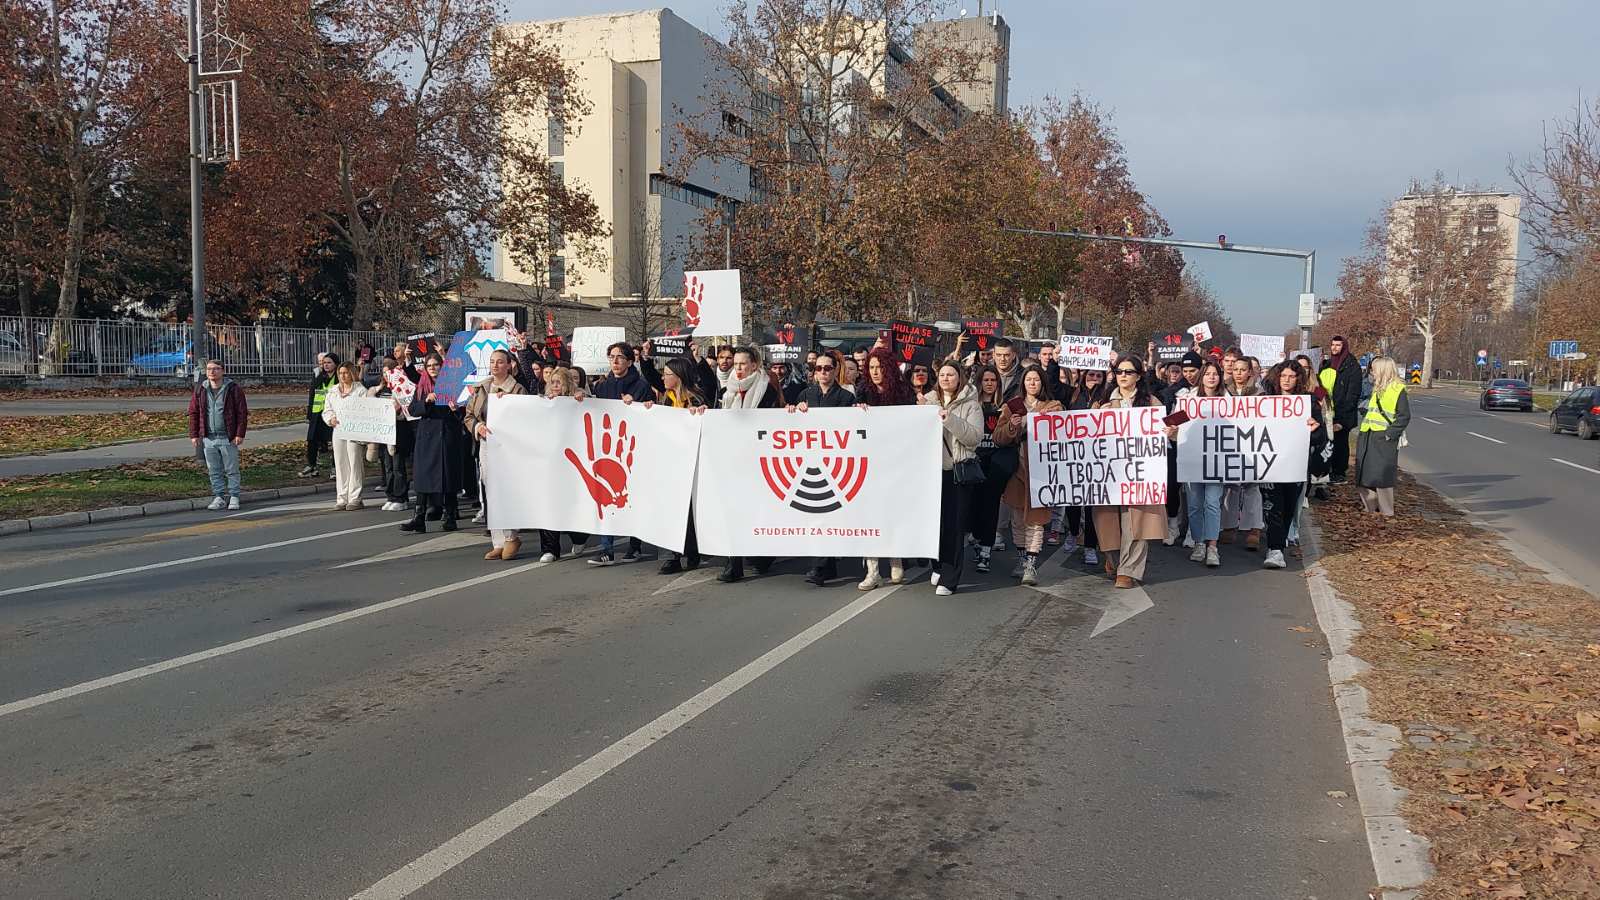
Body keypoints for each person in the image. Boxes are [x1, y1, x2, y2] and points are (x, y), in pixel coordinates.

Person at [1093, 354, 1168, 588]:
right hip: (1109, 471)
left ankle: (1128, 570)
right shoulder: (1103, 402)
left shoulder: (1152, 403)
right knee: (1107, 519)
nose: (1123, 376)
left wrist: (1170, 432)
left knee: (1136, 520)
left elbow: (1165, 433)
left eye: (1128, 372)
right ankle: (1114, 560)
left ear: (1138, 376)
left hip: (1140, 472)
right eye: (1119, 372)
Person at [787, 350, 856, 585]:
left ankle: (824, 565)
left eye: (827, 368)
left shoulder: (846, 398)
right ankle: (822, 565)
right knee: (815, 514)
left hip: (836, 462)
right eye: (818, 368)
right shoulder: (805, 395)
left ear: (836, 370)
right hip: (811, 461)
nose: (823, 372)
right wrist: (793, 411)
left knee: (830, 513)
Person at [716, 345, 783, 583]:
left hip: (758, 460)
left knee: (757, 511)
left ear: (754, 365)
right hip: (733, 459)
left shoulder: (767, 390)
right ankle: (733, 564)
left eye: (743, 364)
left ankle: (763, 554)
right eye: (736, 364)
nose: (739, 368)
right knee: (732, 510)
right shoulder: (727, 391)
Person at [993, 368, 1062, 585]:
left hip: (1042, 473)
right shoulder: (1011, 407)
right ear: (1022, 383)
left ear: (1043, 383)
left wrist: (1045, 421)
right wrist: (1012, 426)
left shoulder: (1054, 406)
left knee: (1036, 521)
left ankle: (1031, 564)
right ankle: (1022, 560)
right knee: (1017, 520)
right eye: (1028, 380)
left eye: (1036, 380)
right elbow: (998, 437)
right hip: (1017, 471)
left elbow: (1062, 433)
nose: (1032, 383)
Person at [855, 347, 916, 589]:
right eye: (871, 367)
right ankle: (872, 570)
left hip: (896, 462)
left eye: (880, 367)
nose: (875, 372)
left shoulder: (903, 391)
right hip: (868, 463)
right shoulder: (862, 391)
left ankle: (895, 558)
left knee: (893, 512)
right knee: (869, 515)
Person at [922, 361, 983, 595]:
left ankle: (950, 577)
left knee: (954, 526)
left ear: (960, 378)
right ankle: (938, 565)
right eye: (942, 375)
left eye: (951, 374)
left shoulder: (971, 405)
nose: (946, 378)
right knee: (934, 524)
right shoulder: (927, 402)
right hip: (930, 473)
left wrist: (950, 419)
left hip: (957, 472)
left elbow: (973, 438)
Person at [1260, 361, 1325, 569]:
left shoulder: (1309, 403)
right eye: (1283, 376)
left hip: (1295, 465)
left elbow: (1320, 438)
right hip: (1270, 465)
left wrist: (1315, 430)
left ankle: (1280, 542)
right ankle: (1275, 549)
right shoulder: (1264, 401)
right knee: (1273, 506)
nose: (1286, 380)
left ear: (1298, 379)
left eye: (1291, 376)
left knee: (1288, 507)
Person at [464, 350, 528, 560]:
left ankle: (511, 536)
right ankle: (498, 541)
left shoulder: (517, 389)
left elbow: (526, 417)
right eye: (492, 362)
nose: (495, 365)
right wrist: (478, 427)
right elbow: (469, 415)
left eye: (500, 362)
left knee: (506, 490)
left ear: (509, 365)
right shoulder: (482, 387)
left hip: (508, 446)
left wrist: (507, 405)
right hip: (486, 444)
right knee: (490, 489)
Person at [655, 358, 709, 575]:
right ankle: (671, 557)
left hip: (691, 463)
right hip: (669, 462)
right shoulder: (665, 400)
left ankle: (693, 550)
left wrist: (701, 415)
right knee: (668, 509)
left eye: (667, 374)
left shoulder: (697, 399)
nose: (663, 378)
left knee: (688, 512)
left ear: (678, 377)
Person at [401, 354, 462, 533]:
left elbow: (464, 412)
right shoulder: (422, 386)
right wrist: (426, 401)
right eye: (429, 366)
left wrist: (456, 409)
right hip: (427, 437)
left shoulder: (452, 385)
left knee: (448, 476)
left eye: (436, 365)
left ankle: (450, 516)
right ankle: (418, 517)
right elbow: (413, 409)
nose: (433, 368)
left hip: (447, 436)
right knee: (423, 476)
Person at [1177, 360, 1230, 567]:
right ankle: (1199, 543)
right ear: (1202, 377)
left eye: (1215, 374)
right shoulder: (1188, 400)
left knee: (1212, 502)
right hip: (1192, 461)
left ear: (1220, 377)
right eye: (1207, 373)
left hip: (1217, 461)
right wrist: (1171, 430)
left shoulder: (1228, 400)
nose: (1211, 377)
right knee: (1194, 504)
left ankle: (1212, 546)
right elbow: (1173, 425)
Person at [535, 367, 590, 561]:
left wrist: (580, 398)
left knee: (569, 504)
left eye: (559, 382)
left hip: (571, 462)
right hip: (549, 462)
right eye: (552, 382)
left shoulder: (578, 399)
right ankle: (550, 549)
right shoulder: (543, 402)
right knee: (547, 503)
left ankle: (579, 536)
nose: (555, 385)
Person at [968, 366, 1012, 574]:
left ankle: (986, 551)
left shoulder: (1005, 406)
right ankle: (977, 539)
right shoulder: (972, 405)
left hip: (996, 465)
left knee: (991, 507)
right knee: (974, 507)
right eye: (985, 380)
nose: (989, 383)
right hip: (974, 463)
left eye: (993, 380)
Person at [189, 359, 248, 511]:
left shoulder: (233, 389)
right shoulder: (201, 389)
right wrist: (194, 434)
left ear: (223, 371)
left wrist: (239, 433)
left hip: (228, 437)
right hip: (209, 437)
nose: (212, 372)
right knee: (214, 470)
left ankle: (234, 496)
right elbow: (194, 412)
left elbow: (241, 413)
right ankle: (219, 496)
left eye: (215, 369)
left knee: (231, 469)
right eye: (209, 369)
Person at [1355, 356, 1410, 519]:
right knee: (1364, 475)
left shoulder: (1397, 389)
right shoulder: (1377, 388)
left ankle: (1387, 512)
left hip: (1383, 437)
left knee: (1381, 476)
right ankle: (1371, 509)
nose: (1371, 373)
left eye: (1374, 370)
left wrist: (1389, 434)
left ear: (1382, 371)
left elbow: (1404, 416)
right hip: (1368, 434)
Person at [1219, 356, 1266, 549]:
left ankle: (1254, 528)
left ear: (1250, 372)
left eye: (1242, 369)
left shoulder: (1259, 393)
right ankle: (1229, 526)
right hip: (1230, 443)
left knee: (1252, 486)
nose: (1238, 373)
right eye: (1235, 369)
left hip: (1252, 443)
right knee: (1231, 487)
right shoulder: (1223, 391)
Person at [321, 361, 370, 510]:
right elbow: (327, 409)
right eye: (340, 373)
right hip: (338, 429)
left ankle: (355, 497)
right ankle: (342, 498)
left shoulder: (360, 390)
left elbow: (366, 410)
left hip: (354, 430)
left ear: (352, 373)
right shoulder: (333, 390)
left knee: (354, 463)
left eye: (346, 373)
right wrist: (331, 419)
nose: (343, 376)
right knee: (340, 463)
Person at [1319, 335, 1362, 484]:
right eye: (1333, 345)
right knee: (1326, 443)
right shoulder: (1326, 365)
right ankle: (1326, 471)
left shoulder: (1352, 366)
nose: (1334, 348)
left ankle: (1339, 473)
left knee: (1340, 444)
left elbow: (1353, 394)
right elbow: (1320, 386)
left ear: (1344, 346)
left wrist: (1342, 420)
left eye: (1338, 345)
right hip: (1326, 411)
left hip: (1342, 413)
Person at [377, 356, 414, 512]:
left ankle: (401, 497)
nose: (387, 376)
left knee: (398, 466)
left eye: (390, 373)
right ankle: (391, 495)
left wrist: (399, 410)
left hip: (399, 432)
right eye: (384, 373)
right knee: (388, 467)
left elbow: (407, 410)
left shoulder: (401, 389)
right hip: (384, 434)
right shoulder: (380, 390)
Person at [300, 353, 337, 476]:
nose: (326, 365)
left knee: (335, 441)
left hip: (332, 414)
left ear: (335, 364)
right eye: (324, 363)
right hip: (317, 412)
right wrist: (310, 413)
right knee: (312, 440)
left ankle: (335, 468)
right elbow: (312, 395)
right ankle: (312, 466)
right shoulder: (319, 377)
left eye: (329, 362)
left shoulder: (338, 378)